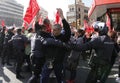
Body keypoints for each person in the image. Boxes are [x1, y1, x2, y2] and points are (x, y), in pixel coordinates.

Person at [41, 8, 71, 83]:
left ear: (59, 30)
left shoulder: (63, 38)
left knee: (59, 78)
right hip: (49, 62)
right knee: (44, 77)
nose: (52, 31)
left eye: (54, 30)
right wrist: (37, 21)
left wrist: (62, 17)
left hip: (59, 63)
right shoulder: (50, 36)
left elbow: (68, 31)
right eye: (52, 29)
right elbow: (40, 32)